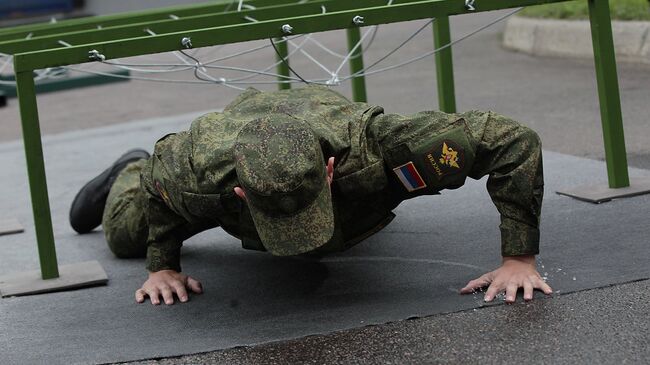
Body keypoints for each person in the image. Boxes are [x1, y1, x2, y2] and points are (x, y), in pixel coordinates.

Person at [70, 85, 552, 306]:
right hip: (205, 150)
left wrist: (519, 259)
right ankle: (122, 168)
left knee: (344, 229)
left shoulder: (382, 147)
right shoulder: (194, 176)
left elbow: (514, 141)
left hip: (318, 113)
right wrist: (163, 267)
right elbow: (162, 186)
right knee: (124, 237)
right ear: (241, 193)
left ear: (327, 170)